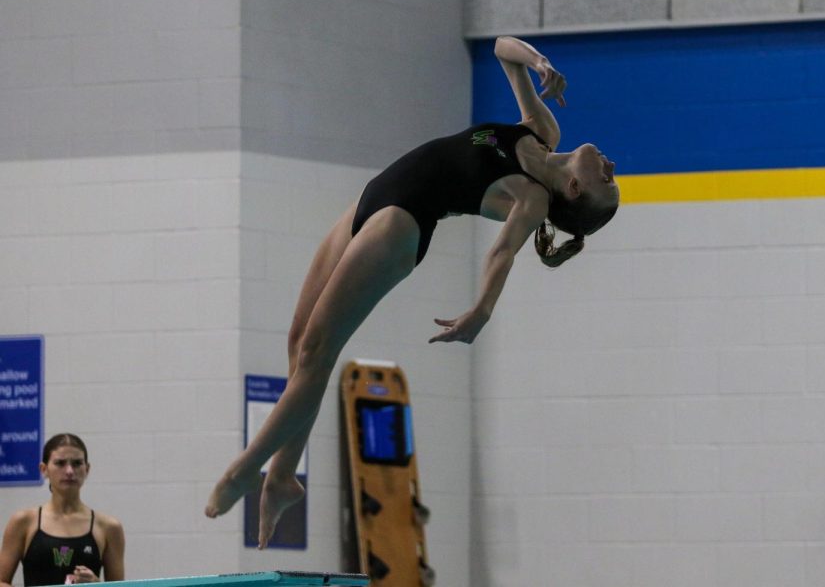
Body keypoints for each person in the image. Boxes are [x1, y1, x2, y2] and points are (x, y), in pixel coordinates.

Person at [205, 35, 620, 548]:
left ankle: (246, 469)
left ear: (575, 192)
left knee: (317, 353)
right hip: (376, 195)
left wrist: (481, 311)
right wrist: (539, 62)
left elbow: (502, 252)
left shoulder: (532, 197)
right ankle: (284, 478)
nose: (611, 167)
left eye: (608, 180)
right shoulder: (542, 131)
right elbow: (500, 50)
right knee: (300, 346)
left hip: (402, 224)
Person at [0, 434, 125, 587]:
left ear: (87, 469)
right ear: (44, 469)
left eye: (77, 463)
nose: (69, 471)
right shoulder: (23, 522)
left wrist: (97, 585)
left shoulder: (109, 528)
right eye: (60, 463)